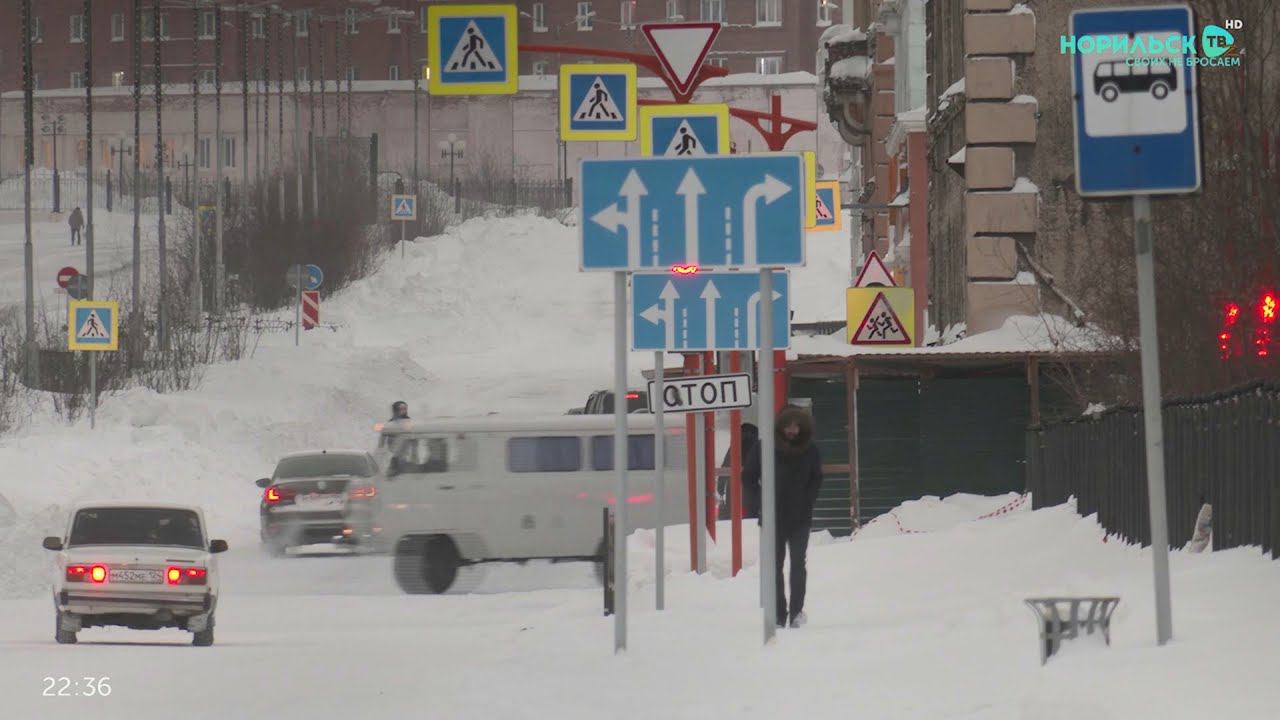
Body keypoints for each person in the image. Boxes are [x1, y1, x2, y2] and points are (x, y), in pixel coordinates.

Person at [743, 406, 823, 629]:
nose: (792, 430)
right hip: (772, 517)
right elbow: (748, 477)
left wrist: (807, 500)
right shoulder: (764, 448)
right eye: (789, 425)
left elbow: (816, 478)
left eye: (797, 426)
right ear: (781, 426)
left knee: (798, 563)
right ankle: (778, 614)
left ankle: (796, 613)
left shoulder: (811, 450)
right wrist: (761, 503)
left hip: (800, 518)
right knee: (774, 565)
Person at [718, 422, 759, 520]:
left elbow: (725, 465)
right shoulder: (758, 445)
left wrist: (721, 486)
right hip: (751, 484)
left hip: (734, 484)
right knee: (751, 512)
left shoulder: (735, 445)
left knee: (734, 511)